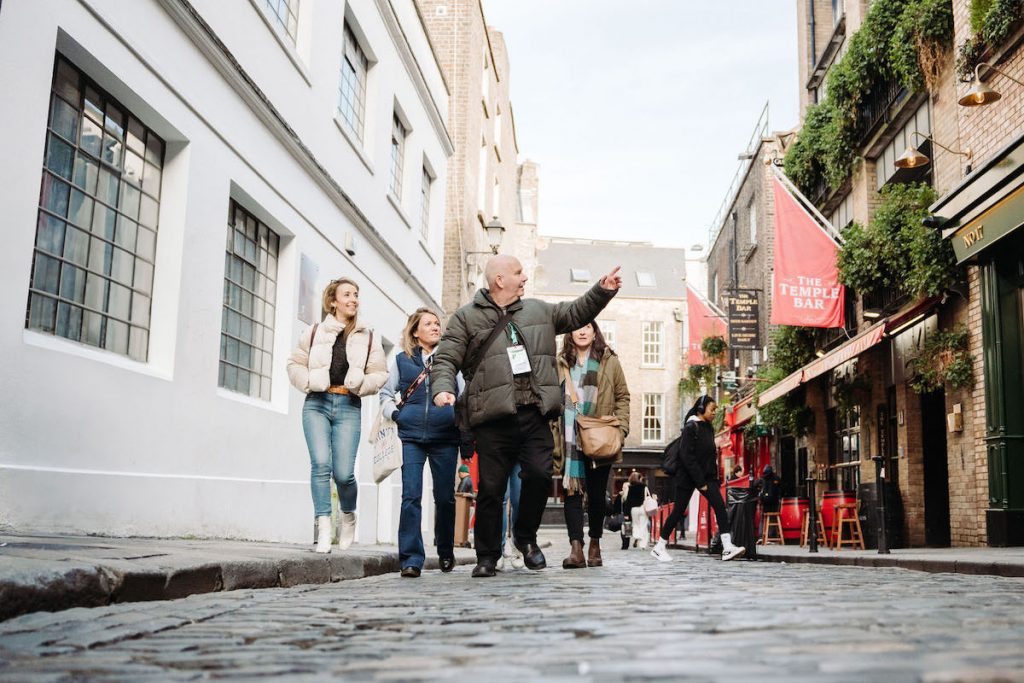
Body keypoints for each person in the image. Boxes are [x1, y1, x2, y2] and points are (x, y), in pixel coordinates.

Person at [431, 255, 622, 577]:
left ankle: (525, 537)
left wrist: (601, 291)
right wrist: (442, 388)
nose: (524, 278)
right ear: (499, 280)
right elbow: (447, 357)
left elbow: (577, 311)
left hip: (534, 412)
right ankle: (487, 556)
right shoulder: (466, 318)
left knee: (539, 475)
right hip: (492, 417)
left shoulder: (538, 310)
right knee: (491, 489)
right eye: (518, 273)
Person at [287, 277, 387, 554]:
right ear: (333, 301)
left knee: (344, 474)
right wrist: (308, 381)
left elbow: (380, 373)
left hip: (347, 405)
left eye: (356, 294)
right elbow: (294, 363)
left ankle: (348, 514)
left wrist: (361, 386)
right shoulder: (315, 331)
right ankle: (323, 529)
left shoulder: (368, 336)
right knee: (320, 465)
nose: (353, 299)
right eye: (347, 294)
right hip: (316, 403)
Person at [379, 308, 461, 578]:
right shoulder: (403, 360)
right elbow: (386, 393)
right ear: (416, 331)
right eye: (429, 323)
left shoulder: (450, 360)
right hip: (411, 437)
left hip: (445, 437)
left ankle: (446, 551)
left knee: (445, 498)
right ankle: (411, 559)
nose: (436, 327)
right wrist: (396, 415)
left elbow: (464, 393)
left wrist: (455, 413)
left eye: (437, 323)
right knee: (411, 496)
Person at [553, 322, 630, 569]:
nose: (583, 331)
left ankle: (595, 544)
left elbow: (622, 397)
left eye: (587, 326)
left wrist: (621, 430)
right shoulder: (560, 362)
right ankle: (576, 548)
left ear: (595, 331)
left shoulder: (610, 361)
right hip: (570, 436)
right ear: (570, 333)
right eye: (577, 327)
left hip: (600, 435)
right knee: (571, 491)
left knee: (597, 495)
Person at [651, 395, 746, 562]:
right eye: (712, 409)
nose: (715, 413)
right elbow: (687, 457)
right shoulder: (691, 427)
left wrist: (712, 479)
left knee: (720, 506)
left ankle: (727, 547)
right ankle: (659, 547)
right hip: (687, 477)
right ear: (701, 409)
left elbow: (709, 456)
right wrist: (700, 482)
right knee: (678, 511)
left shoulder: (708, 427)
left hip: (706, 477)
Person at [621, 472, 650, 549]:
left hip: (634, 510)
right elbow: (647, 497)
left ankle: (637, 535)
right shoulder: (644, 487)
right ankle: (643, 544)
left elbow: (628, 502)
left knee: (636, 525)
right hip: (643, 508)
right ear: (639, 478)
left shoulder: (631, 488)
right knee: (644, 526)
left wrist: (626, 514)